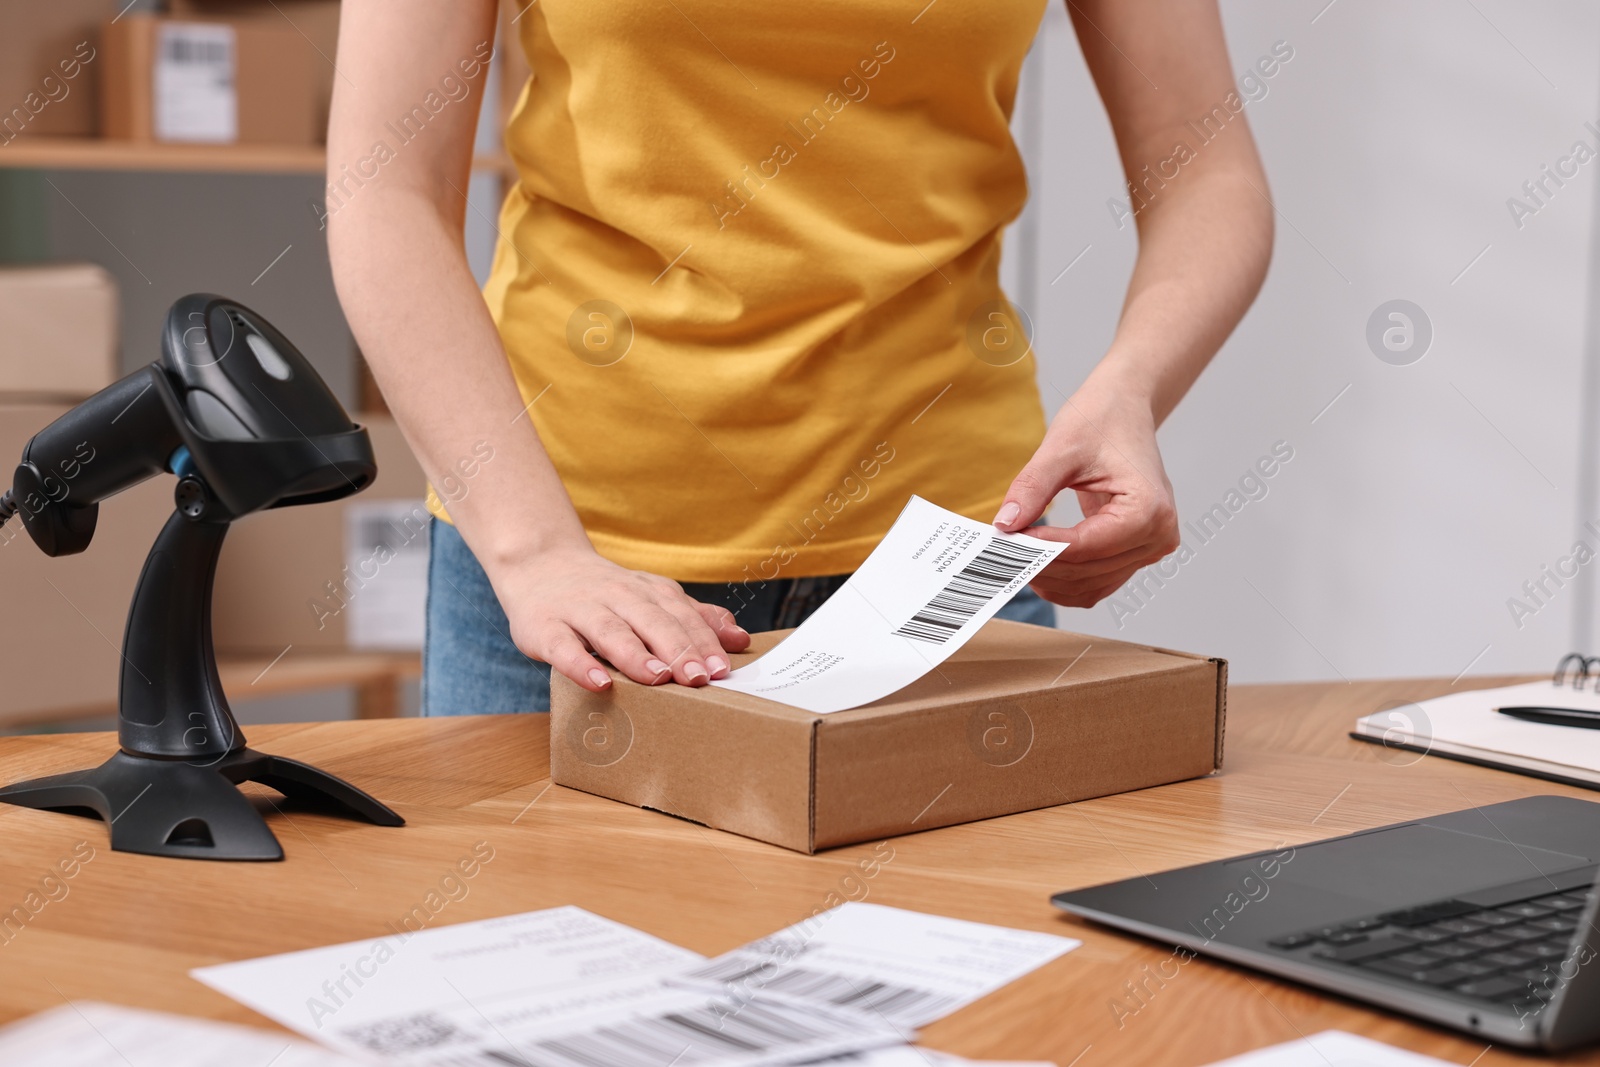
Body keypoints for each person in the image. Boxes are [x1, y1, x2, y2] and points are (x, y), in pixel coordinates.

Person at [326, 1, 1273, 716]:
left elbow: (1206, 170)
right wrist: (536, 552)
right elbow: (386, 187)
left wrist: (1131, 388)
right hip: (570, 558)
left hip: (940, 557)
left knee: (973, 972)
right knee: (530, 966)